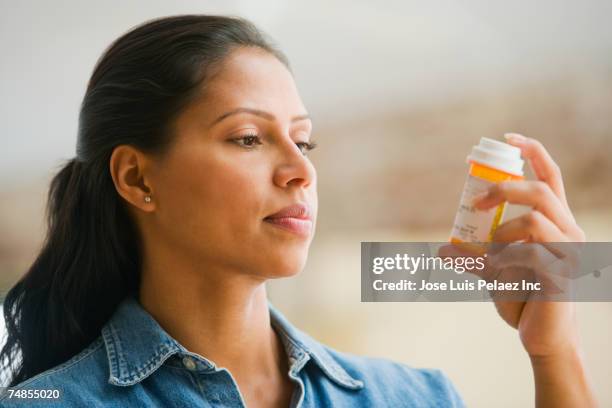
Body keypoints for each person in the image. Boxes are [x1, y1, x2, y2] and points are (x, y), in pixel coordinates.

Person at [0, 15, 596, 407]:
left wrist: (552, 353)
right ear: (137, 177)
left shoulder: (413, 398)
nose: (301, 170)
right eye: (248, 139)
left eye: (303, 140)